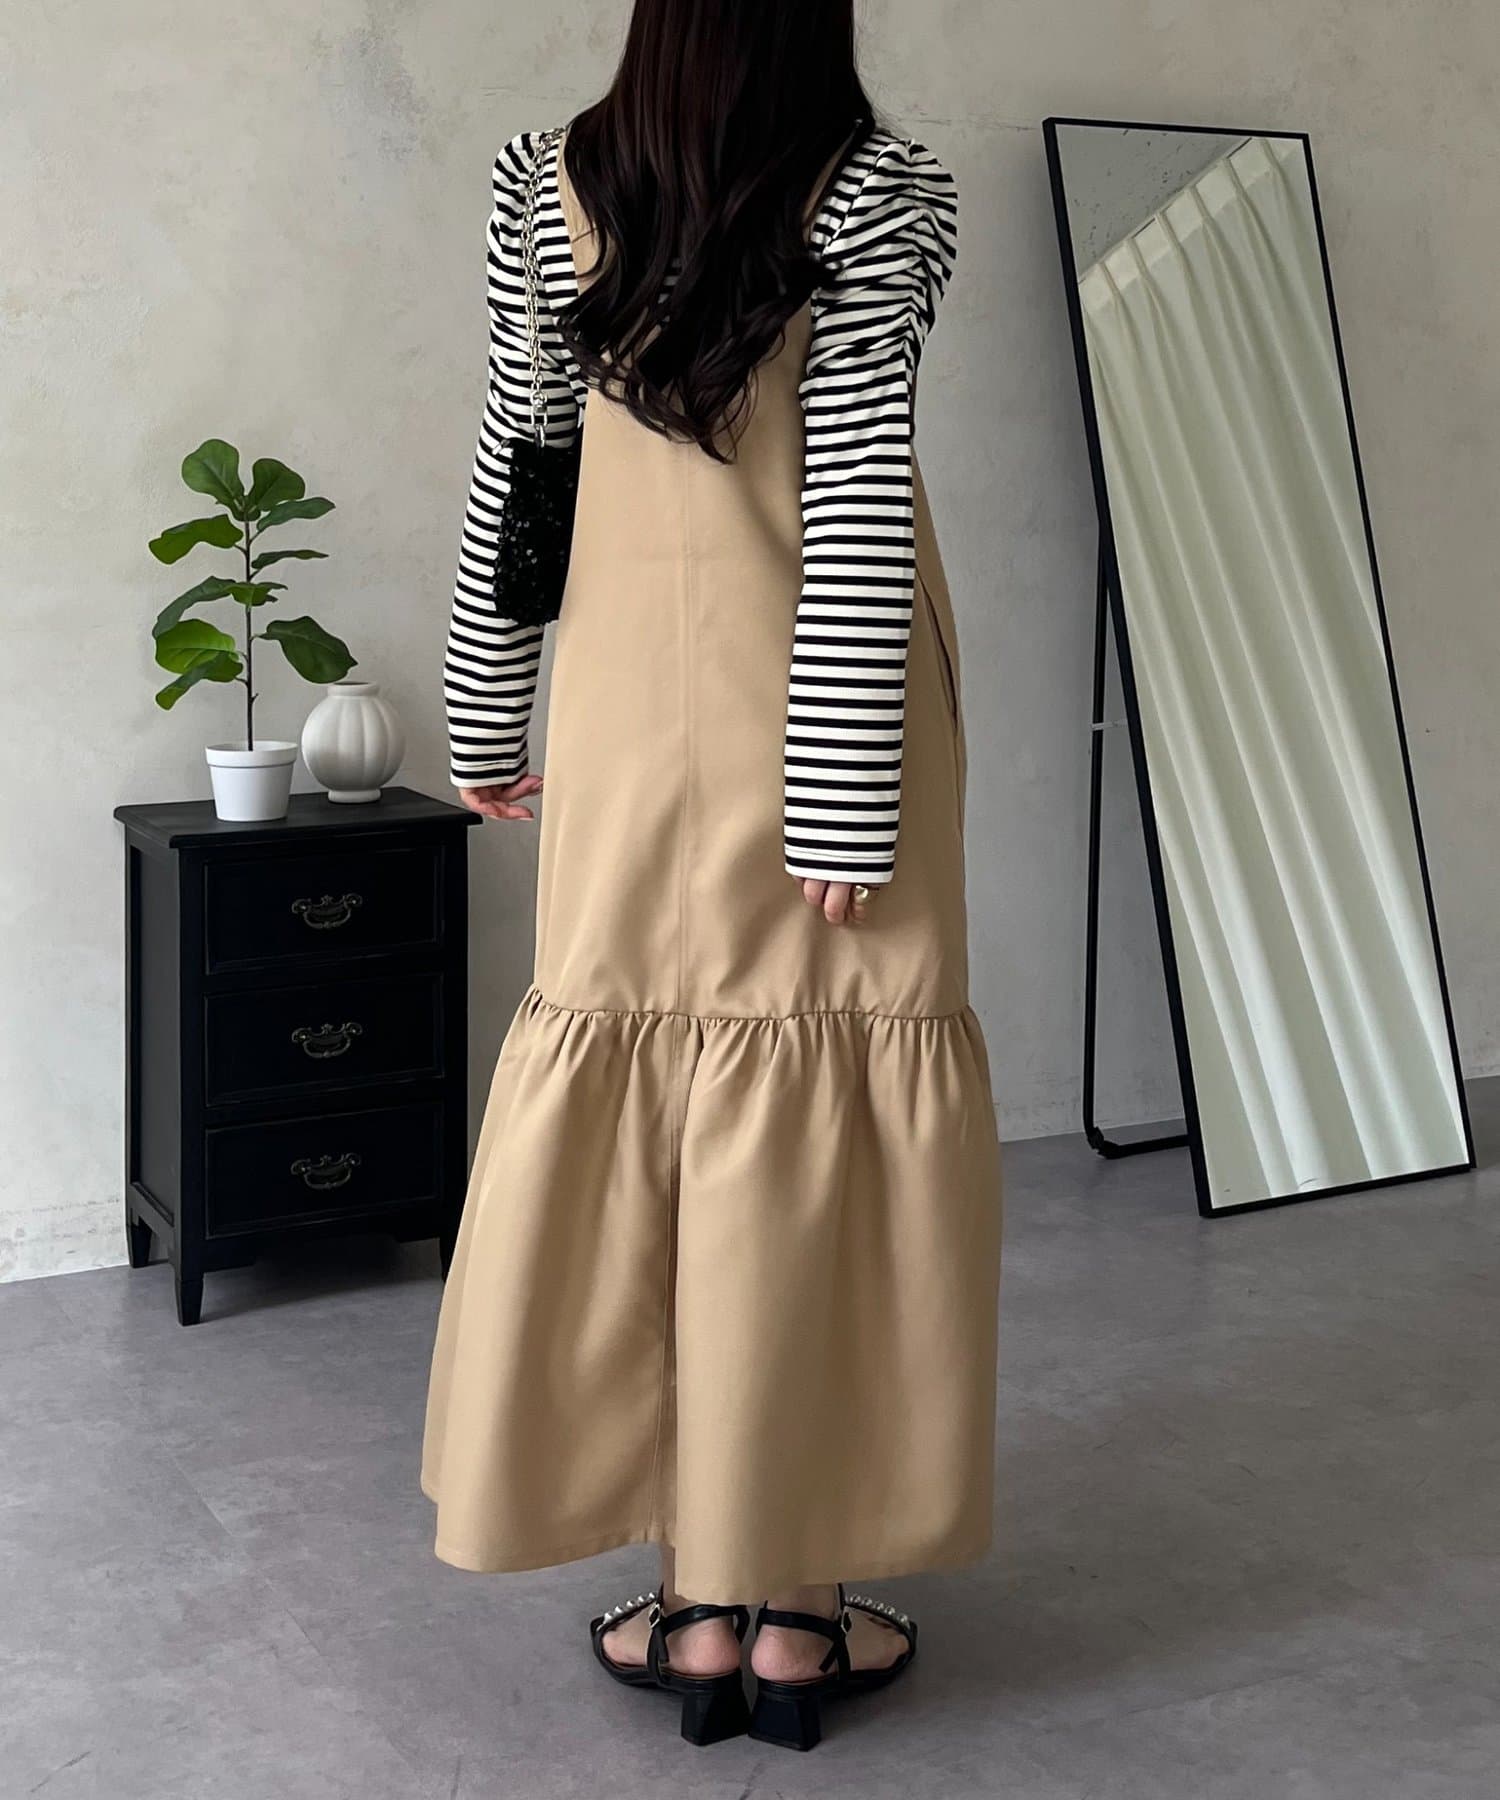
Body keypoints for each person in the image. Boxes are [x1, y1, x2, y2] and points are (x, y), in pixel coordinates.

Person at [422, 0, 1002, 1752]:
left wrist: (483, 697)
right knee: (810, 1138)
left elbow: (523, 459)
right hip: (829, 712)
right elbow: (858, 486)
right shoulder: (883, 186)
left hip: (623, 718)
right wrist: (840, 796)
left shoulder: (548, 181)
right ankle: (797, 1614)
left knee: (655, 1118)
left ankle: (692, 1606)